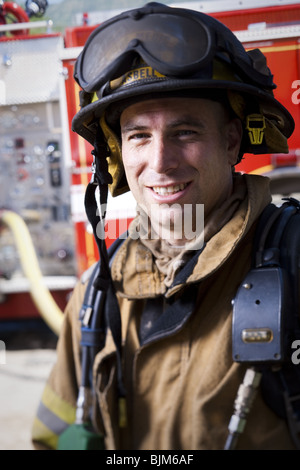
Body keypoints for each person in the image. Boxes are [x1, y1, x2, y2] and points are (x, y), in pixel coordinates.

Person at [32, 2, 297, 450]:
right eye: (139, 135)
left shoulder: (292, 264)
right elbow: (55, 438)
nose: (160, 162)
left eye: (185, 132)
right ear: (119, 155)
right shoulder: (97, 292)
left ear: (232, 140)